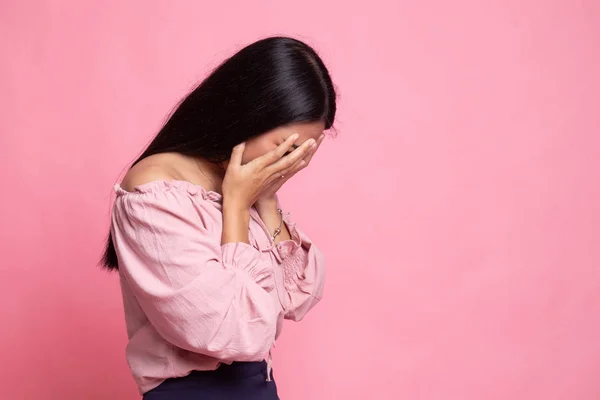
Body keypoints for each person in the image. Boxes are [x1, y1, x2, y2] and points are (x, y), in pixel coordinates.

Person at [102, 36, 336, 399]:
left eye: (305, 150)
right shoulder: (155, 191)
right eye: (284, 146)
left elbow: (296, 299)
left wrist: (266, 198)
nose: (291, 161)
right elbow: (234, 331)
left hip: (259, 387)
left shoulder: (239, 182)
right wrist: (237, 206)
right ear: (247, 115)